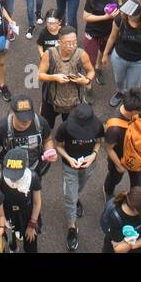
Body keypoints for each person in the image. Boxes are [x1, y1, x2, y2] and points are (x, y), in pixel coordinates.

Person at [53, 102, 105, 251]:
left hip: (88, 165)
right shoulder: (65, 127)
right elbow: (59, 146)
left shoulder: (97, 125)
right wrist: (69, 159)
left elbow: (99, 142)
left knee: (79, 187)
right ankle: (72, 227)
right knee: (70, 196)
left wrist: (93, 155)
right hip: (69, 166)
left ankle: (76, 199)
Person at [37, 29, 95, 127]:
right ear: (59, 42)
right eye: (68, 43)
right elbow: (40, 75)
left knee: (70, 126)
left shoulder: (82, 54)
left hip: (73, 101)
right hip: (51, 99)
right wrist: (54, 77)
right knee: (46, 125)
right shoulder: (49, 54)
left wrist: (86, 80)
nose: (72, 46)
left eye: (74, 42)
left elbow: (91, 71)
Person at [0, 146, 43, 253]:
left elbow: (37, 202)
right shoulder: (0, 178)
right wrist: (2, 217)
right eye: (10, 174)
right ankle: (13, 249)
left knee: (31, 240)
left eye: (17, 175)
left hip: (28, 214)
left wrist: (32, 224)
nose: (13, 178)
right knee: (11, 239)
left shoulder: (33, 178)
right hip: (9, 214)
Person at [101, 186, 141, 254]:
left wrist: (134, 244)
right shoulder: (115, 218)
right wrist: (132, 240)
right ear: (137, 211)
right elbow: (119, 250)